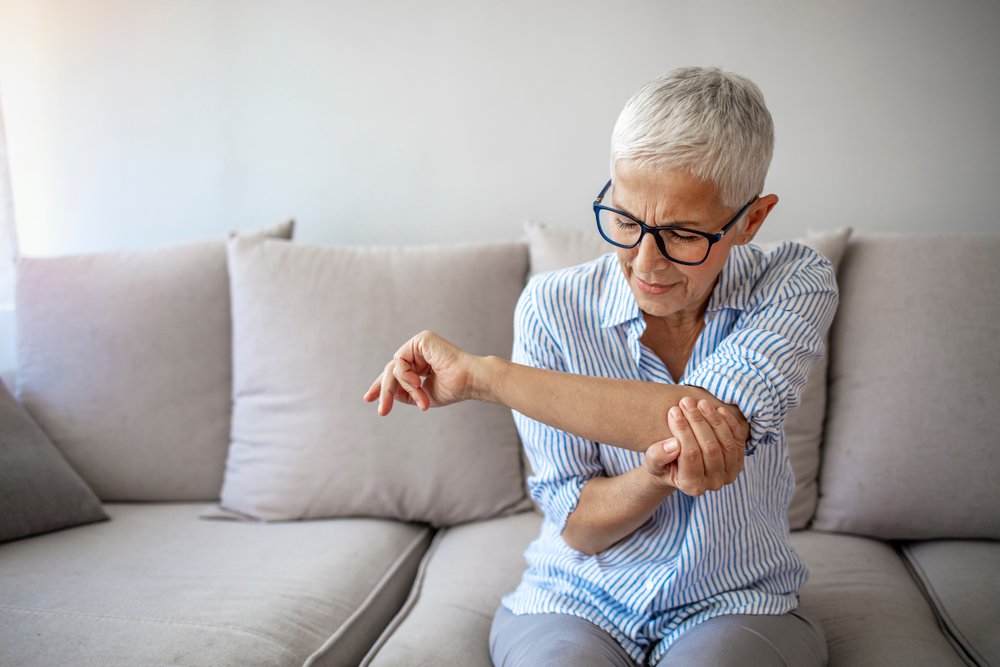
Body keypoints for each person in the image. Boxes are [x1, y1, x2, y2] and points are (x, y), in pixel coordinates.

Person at [363, 66, 835, 667]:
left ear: (751, 220)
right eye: (626, 219)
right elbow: (581, 529)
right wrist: (654, 477)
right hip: (576, 599)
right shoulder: (551, 308)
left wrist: (487, 376)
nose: (645, 262)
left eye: (684, 234)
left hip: (736, 598)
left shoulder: (795, 281)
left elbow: (713, 419)